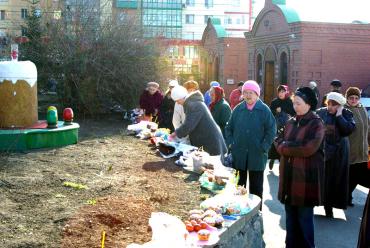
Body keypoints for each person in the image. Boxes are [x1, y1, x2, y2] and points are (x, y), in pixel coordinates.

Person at [274, 86, 325, 248]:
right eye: (294, 103)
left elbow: (308, 148)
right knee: (290, 222)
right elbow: (277, 141)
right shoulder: (290, 122)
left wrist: (286, 147)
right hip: (288, 179)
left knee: (304, 221)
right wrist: (288, 146)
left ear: (308, 104)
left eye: (298, 103)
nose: (295, 106)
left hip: (304, 181)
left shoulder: (316, 124)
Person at [225, 80, 276, 202]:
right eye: (245, 92)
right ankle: (239, 213)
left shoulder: (264, 110)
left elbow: (271, 130)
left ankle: (256, 216)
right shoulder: (238, 109)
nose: (248, 95)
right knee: (238, 187)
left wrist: (264, 147)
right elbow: (228, 127)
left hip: (257, 155)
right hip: (239, 154)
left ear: (257, 94)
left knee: (256, 189)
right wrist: (232, 143)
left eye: (251, 93)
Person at [316, 92, 356, 218]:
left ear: (340, 105)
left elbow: (348, 130)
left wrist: (339, 116)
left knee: (335, 180)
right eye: (329, 104)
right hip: (323, 150)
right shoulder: (320, 112)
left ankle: (331, 208)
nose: (330, 107)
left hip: (339, 153)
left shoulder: (346, 114)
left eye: (334, 105)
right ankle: (320, 204)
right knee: (321, 179)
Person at [169, 81, 227, 156]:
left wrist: (175, 134)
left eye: (177, 101)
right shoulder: (193, 103)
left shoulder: (194, 105)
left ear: (181, 98)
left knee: (211, 165)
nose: (178, 103)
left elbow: (188, 125)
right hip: (205, 140)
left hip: (210, 141)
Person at [345, 87, 370, 206]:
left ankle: (346, 197)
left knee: (355, 176)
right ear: (347, 98)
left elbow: (368, 127)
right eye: (351, 98)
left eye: (356, 98)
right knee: (352, 176)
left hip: (363, 150)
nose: (354, 100)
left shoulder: (362, 109)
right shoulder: (345, 110)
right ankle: (346, 197)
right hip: (351, 150)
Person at [268, 85, 295, 170]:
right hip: (276, 125)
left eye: (283, 91)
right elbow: (270, 112)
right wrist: (276, 111)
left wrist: (285, 112)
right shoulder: (275, 102)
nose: (280, 93)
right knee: (275, 141)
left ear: (286, 92)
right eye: (279, 91)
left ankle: (281, 163)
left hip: (287, 126)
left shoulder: (290, 102)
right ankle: (272, 158)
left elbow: (294, 112)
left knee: (284, 142)